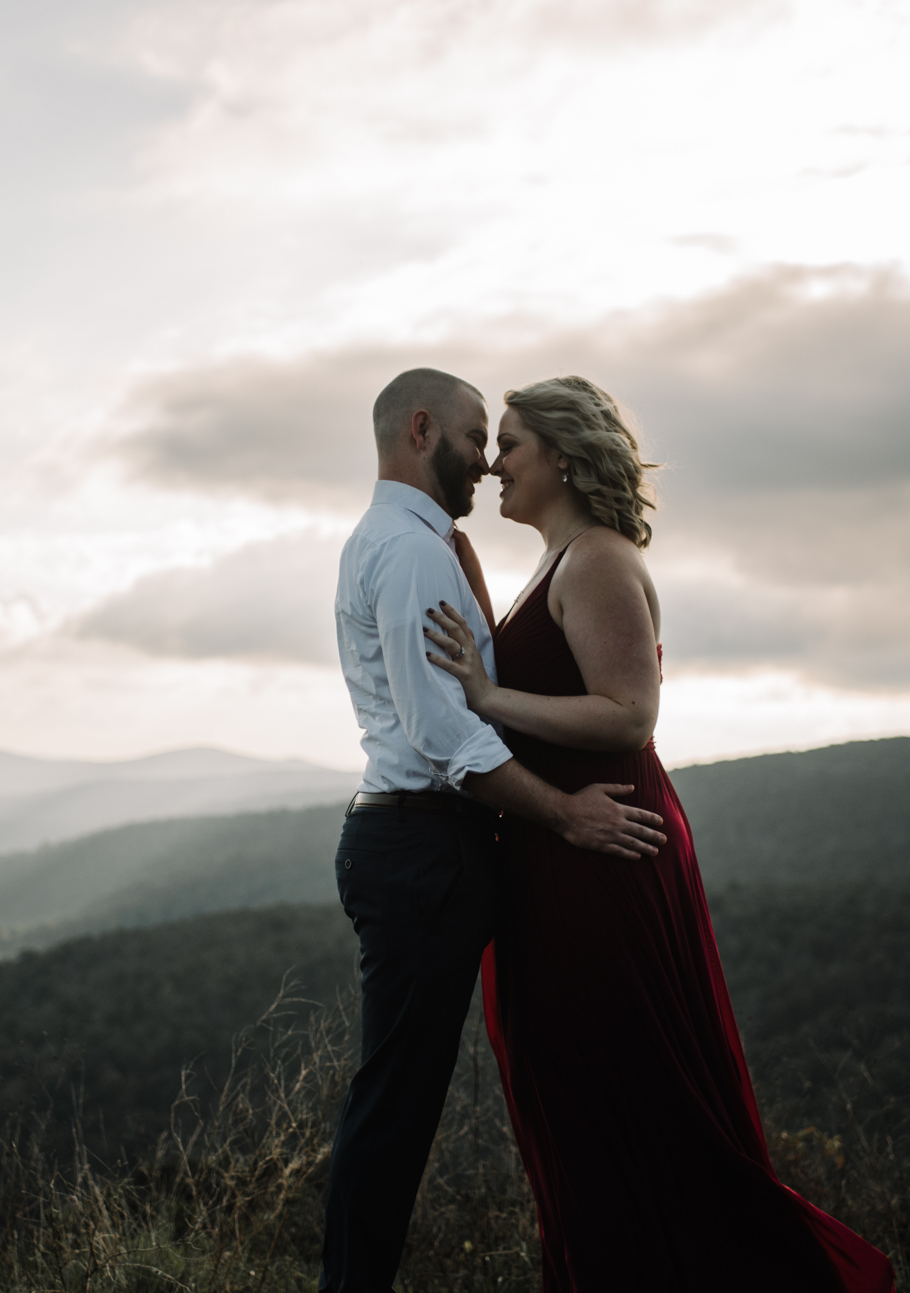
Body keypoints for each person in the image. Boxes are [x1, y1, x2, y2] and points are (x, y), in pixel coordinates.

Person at [422, 376, 895, 1293]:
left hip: (602, 851)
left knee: (617, 1092)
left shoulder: (596, 558)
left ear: (561, 456)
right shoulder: (559, 560)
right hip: (562, 851)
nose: (492, 463)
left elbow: (628, 716)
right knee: (573, 1096)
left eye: (510, 444)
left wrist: (485, 695)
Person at [324, 367, 669, 1293]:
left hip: (453, 848)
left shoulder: (431, 546)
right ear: (422, 428)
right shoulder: (409, 552)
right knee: (396, 1106)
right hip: (423, 846)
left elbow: (582, 708)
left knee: (427, 1098)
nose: (484, 463)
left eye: (502, 444)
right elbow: (444, 735)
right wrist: (562, 813)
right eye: (480, 439)